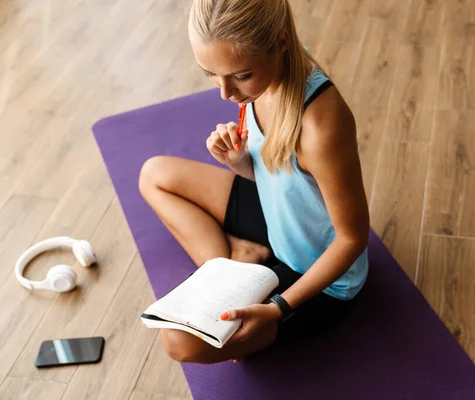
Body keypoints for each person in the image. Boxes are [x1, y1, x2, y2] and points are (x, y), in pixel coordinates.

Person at [138, 0, 370, 364]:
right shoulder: (264, 75)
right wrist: (239, 161)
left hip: (316, 275)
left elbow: (352, 239)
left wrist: (279, 307)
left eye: (240, 76)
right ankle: (233, 264)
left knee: (180, 343)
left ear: (280, 42)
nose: (225, 93)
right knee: (154, 174)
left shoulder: (322, 125)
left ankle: (240, 266)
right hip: (274, 215)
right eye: (210, 74)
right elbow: (275, 175)